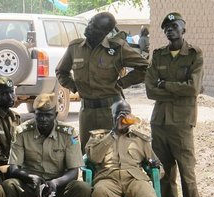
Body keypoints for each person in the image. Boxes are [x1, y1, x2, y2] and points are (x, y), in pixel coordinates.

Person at [56, 12, 149, 153]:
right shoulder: (75, 48)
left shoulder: (117, 48)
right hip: (87, 111)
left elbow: (145, 67)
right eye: (90, 22)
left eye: (95, 27)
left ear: (105, 32)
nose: (89, 27)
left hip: (110, 111)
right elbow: (61, 71)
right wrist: (75, 87)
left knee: (112, 152)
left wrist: (123, 83)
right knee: (87, 153)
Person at [145, 12, 203, 197]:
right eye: (166, 27)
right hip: (159, 123)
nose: (170, 29)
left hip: (181, 125)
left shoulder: (194, 54)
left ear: (183, 29)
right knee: (164, 177)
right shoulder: (158, 54)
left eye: (174, 25)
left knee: (188, 178)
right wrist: (175, 90)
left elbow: (193, 88)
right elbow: (150, 90)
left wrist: (165, 84)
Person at [2, 93, 91, 197]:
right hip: (30, 186)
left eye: (48, 115)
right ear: (34, 114)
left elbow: (74, 172)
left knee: (83, 189)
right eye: (40, 115)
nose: (43, 119)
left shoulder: (68, 134)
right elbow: (13, 169)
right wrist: (31, 178)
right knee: (9, 185)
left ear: (55, 115)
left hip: (58, 188)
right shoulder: (22, 132)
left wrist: (55, 182)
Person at [86, 99, 165, 197]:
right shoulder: (99, 137)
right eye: (119, 114)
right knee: (100, 194)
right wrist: (114, 133)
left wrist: (153, 167)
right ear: (113, 117)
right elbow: (94, 158)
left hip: (134, 179)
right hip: (108, 178)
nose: (123, 117)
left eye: (126, 113)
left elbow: (160, 169)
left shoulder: (139, 139)